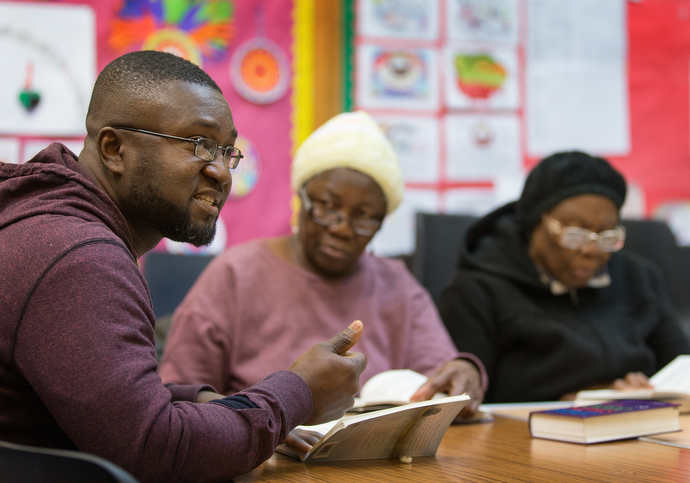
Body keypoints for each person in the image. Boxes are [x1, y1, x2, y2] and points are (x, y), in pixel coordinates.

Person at [0, 50, 367, 483]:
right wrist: (297, 395)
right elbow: (158, 452)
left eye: (228, 151)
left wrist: (220, 408)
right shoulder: (79, 256)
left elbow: (102, 396)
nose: (221, 172)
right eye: (199, 144)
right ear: (114, 149)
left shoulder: (50, 225)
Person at [159, 110, 487, 421]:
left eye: (364, 217)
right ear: (302, 198)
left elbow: (441, 377)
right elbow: (178, 395)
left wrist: (464, 372)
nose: (343, 228)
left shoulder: (398, 286)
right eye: (328, 206)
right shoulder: (235, 274)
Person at [438, 151, 690, 404]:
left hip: (638, 429)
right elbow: (467, 399)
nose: (591, 251)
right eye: (574, 235)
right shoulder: (476, 291)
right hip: (525, 436)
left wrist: (649, 391)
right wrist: (578, 401)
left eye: (606, 237)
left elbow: (680, 369)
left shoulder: (639, 278)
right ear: (534, 223)